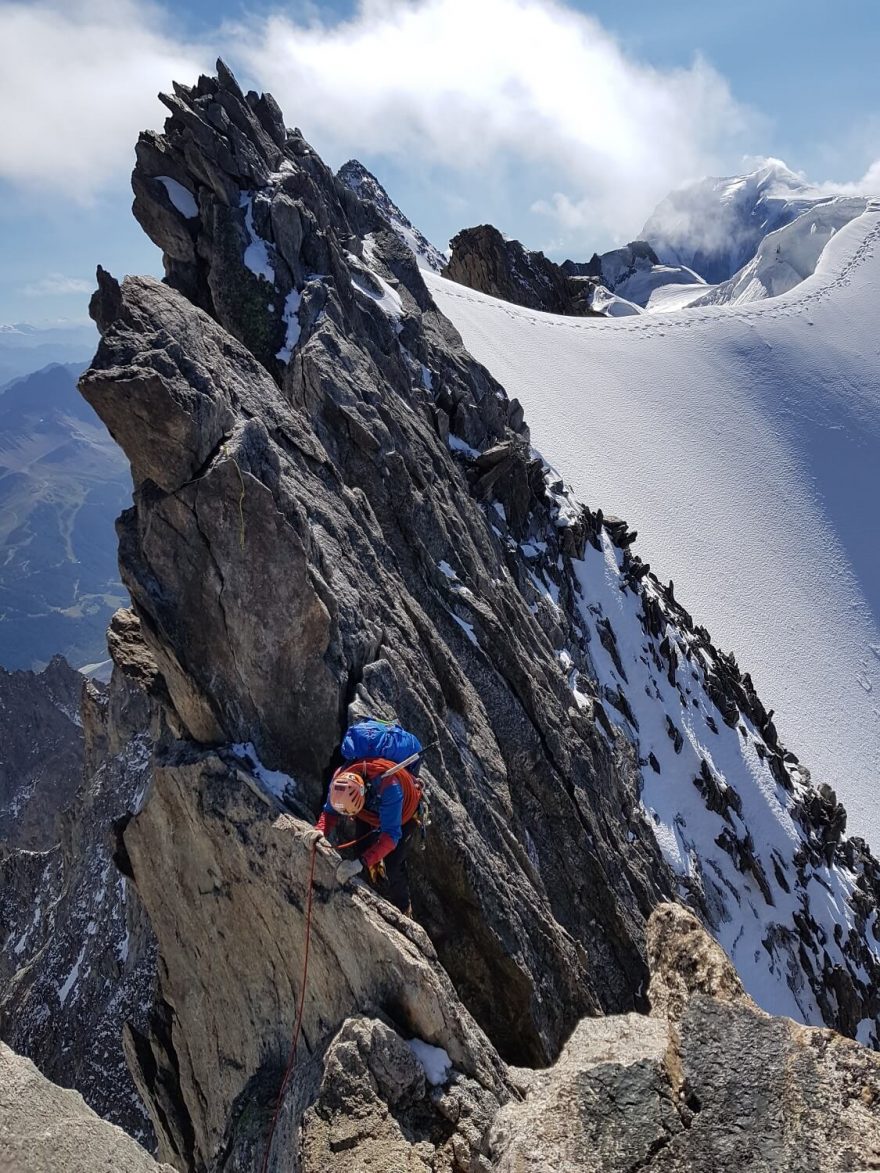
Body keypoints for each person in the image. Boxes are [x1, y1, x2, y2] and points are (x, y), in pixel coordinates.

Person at [311, 725, 424, 913]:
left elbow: (391, 836)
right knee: (362, 848)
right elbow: (330, 813)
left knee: (394, 864)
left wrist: (360, 863)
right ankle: (374, 880)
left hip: (403, 813)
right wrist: (319, 830)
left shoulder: (390, 787)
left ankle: (404, 908)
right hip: (368, 808)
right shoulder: (340, 780)